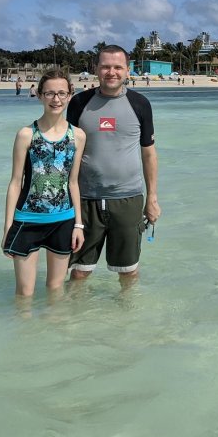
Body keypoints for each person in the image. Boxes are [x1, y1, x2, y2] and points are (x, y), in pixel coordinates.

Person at [67, 44, 159, 289]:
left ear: (128, 70)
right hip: (86, 201)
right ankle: (71, 322)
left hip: (128, 199)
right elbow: (66, 152)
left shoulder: (140, 104)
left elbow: (148, 154)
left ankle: (128, 322)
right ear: (96, 69)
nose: (111, 72)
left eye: (118, 67)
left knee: (128, 273)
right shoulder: (79, 103)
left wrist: (152, 199)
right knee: (79, 273)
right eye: (105, 66)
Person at [2, 68, 87, 297]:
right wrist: (8, 226)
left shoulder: (77, 136)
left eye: (61, 93)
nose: (56, 99)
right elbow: (15, 183)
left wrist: (78, 225)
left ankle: (56, 331)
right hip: (27, 220)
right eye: (49, 93)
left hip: (63, 221)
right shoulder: (26, 135)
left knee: (55, 289)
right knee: (24, 293)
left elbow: (73, 183)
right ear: (39, 95)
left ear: (70, 95)